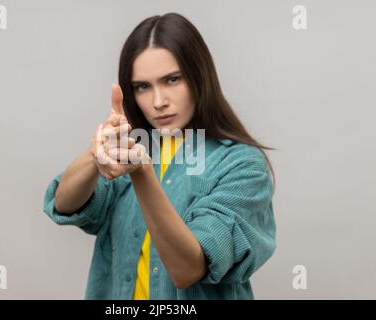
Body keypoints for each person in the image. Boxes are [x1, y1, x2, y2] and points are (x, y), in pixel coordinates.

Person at [43, 12, 276, 300]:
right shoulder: (134, 147)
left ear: (199, 76)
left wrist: (142, 174)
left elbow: (188, 269)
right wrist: (96, 153)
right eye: (143, 86)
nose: (158, 102)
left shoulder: (242, 165)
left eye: (172, 80)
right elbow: (64, 204)